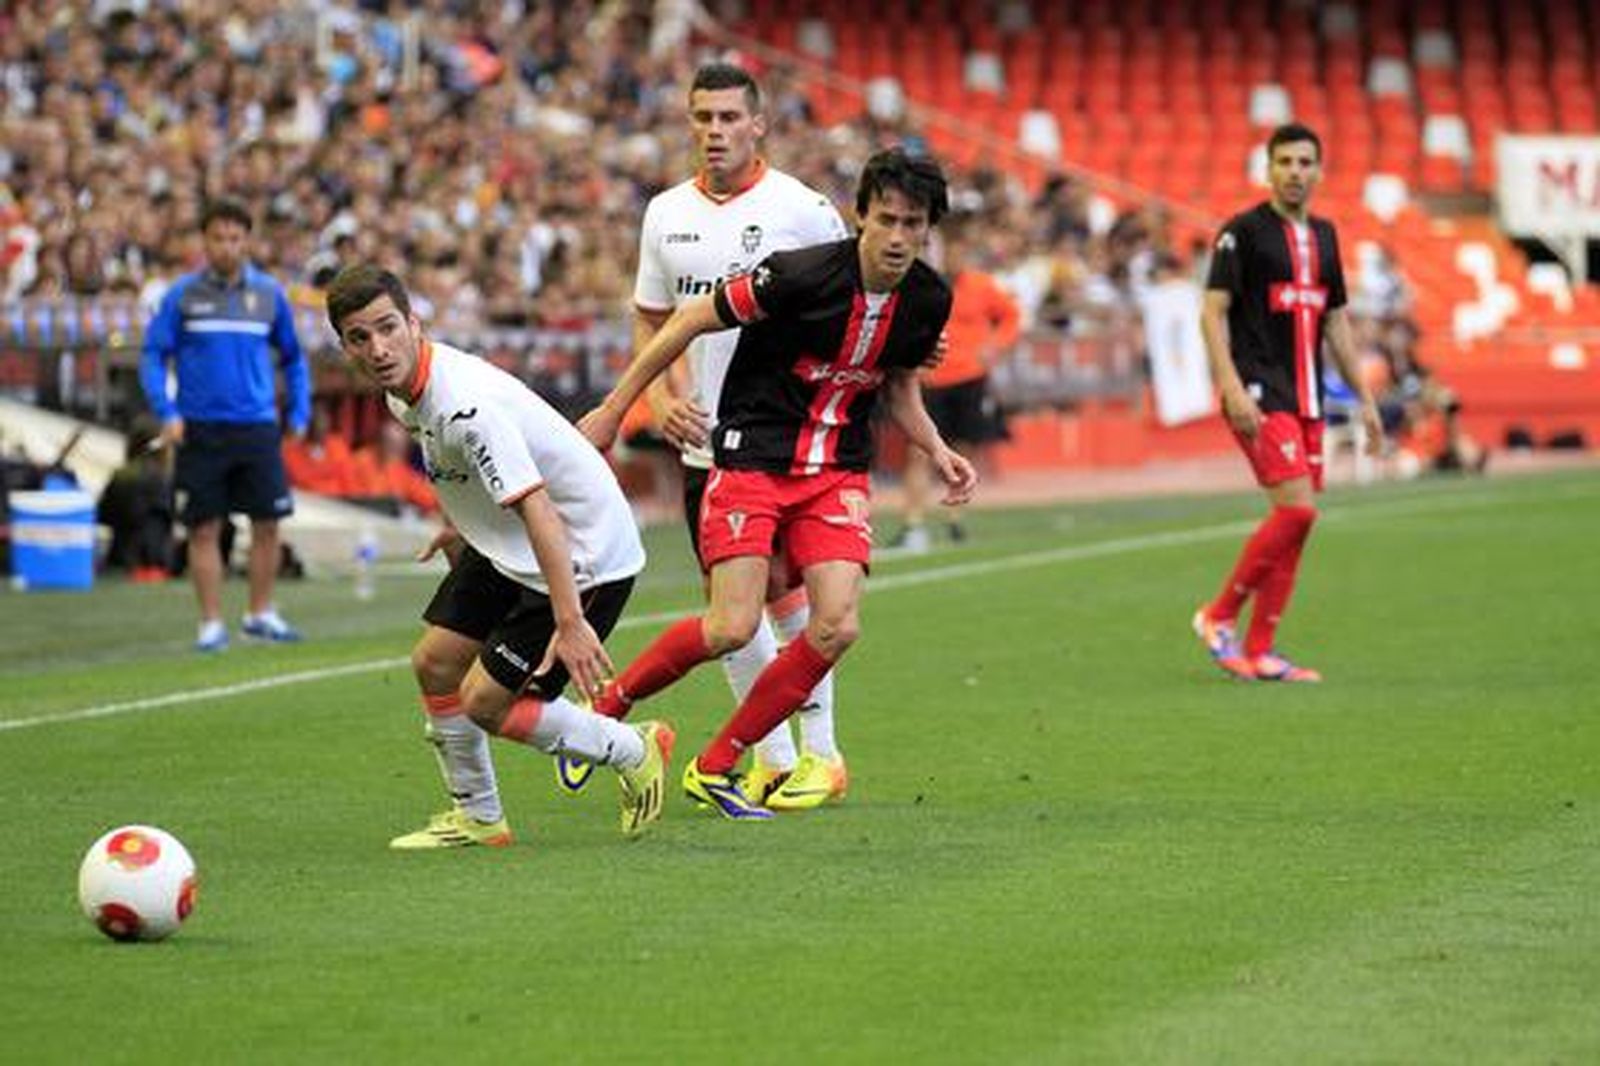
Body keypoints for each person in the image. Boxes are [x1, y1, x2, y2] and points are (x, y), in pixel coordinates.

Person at [580, 148, 977, 820]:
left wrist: (937, 448)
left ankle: (715, 765)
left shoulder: (929, 298)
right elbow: (686, 319)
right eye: (887, 220)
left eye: (915, 224)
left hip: (837, 470)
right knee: (731, 626)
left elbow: (900, 384)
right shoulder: (796, 276)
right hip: (754, 455)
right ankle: (612, 704)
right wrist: (619, 408)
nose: (900, 237)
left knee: (836, 626)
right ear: (860, 217)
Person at [578, 60, 855, 811]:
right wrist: (664, 396)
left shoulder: (803, 209)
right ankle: (772, 756)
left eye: (730, 118)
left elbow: (857, 294)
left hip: (788, 436)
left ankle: (820, 753)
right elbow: (650, 313)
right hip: (705, 439)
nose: (716, 131)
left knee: (787, 592)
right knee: (733, 600)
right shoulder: (665, 213)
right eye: (704, 118)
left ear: (758, 123)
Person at [324, 264, 672, 847]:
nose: (378, 348)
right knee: (434, 663)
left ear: (415, 324)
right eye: (360, 337)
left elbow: (539, 508)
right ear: (344, 346)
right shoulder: (405, 392)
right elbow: (460, 466)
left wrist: (570, 620)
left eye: (388, 328)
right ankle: (479, 818)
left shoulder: (464, 404)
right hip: (510, 541)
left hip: (581, 552)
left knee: (486, 703)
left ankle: (634, 749)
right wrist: (461, 524)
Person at [1192, 123, 1384, 682]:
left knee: (1297, 523)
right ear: (1268, 169)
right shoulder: (1243, 232)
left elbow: (1337, 322)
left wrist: (1366, 400)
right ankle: (1218, 615)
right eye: (1285, 162)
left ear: (1319, 171)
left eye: (1305, 163)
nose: (1295, 172)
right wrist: (1228, 385)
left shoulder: (1325, 237)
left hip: (1309, 397)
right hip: (1257, 388)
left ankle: (1262, 650)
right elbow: (1211, 311)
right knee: (1298, 509)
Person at [140, 198, 311, 652]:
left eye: (235, 237)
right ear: (204, 240)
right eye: (218, 237)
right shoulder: (182, 296)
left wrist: (298, 412)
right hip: (200, 428)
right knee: (202, 528)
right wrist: (167, 410)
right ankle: (211, 624)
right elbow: (153, 354)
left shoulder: (270, 295)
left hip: (256, 426)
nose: (227, 246)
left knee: (269, 523)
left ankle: (259, 613)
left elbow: (294, 359)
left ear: (247, 241)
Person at [893, 221, 1019, 552]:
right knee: (918, 453)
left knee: (964, 450)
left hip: (970, 378)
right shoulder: (924, 285)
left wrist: (997, 346)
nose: (954, 257)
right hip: (931, 379)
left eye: (961, 251)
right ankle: (913, 523)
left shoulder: (981, 285)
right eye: (949, 250)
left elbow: (1011, 316)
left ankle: (954, 520)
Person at [96, 414, 175, 580]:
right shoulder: (164, 478)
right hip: (157, 561)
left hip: (120, 559)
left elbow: (102, 515)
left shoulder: (121, 475)